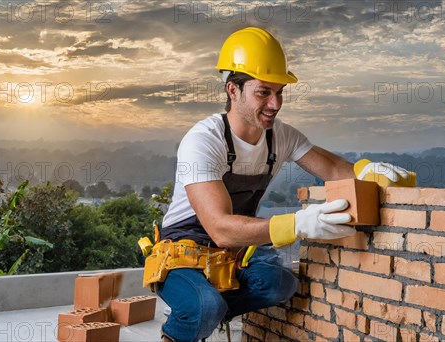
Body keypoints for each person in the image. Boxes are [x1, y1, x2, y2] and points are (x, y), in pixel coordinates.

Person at [155, 27, 412, 342]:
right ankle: (192, 316)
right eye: (264, 92)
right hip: (184, 252)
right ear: (232, 90)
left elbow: (331, 167)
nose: (275, 104)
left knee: (281, 284)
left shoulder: (281, 136)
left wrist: (368, 170)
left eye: (280, 92)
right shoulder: (204, 140)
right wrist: (300, 223)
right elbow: (220, 229)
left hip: (234, 255)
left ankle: (206, 308)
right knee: (203, 306)